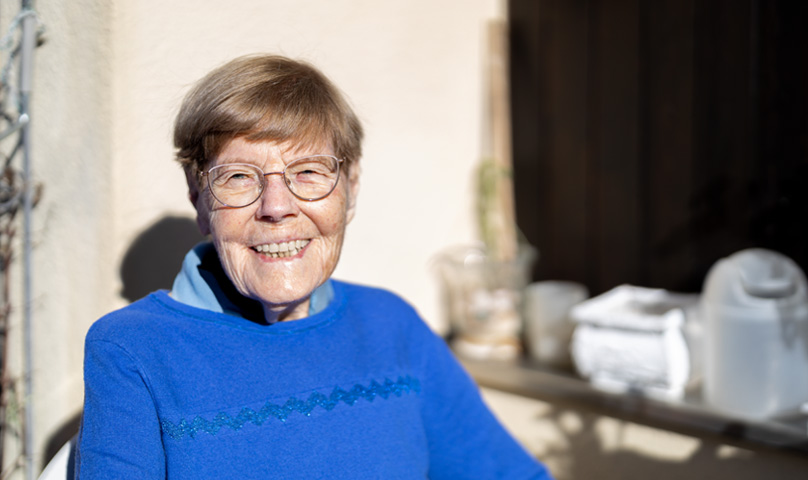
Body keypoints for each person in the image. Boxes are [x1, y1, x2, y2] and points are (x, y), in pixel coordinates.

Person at [75, 54, 553, 479]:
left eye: (308, 172)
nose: (277, 207)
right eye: (239, 177)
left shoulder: (391, 325)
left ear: (351, 189)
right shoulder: (133, 350)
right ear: (199, 197)